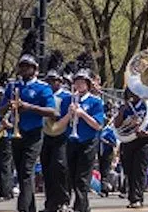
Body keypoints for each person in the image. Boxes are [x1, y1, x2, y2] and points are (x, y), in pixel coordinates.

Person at [0, 31, 57, 212]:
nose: (23, 70)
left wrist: (29, 107)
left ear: (35, 69)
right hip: (16, 132)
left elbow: (51, 111)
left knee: (26, 171)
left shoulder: (42, 88)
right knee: (21, 171)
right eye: (21, 67)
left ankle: (22, 208)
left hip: (34, 133)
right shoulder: (12, 86)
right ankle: (30, 208)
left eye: (27, 67)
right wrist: (8, 107)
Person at [54, 55, 104, 212]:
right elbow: (59, 124)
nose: (79, 85)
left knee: (82, 178)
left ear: (88, 84)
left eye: (82, 82)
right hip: (71, 141)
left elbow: (98, 125)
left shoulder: (95, 102)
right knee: (71, 175)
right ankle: (78, 205)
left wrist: (82, 114)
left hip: (88, 142)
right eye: (76, 82)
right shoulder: (69, 100)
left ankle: (80, 207)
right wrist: (69, 114)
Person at [114, 88, 148, 209]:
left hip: (143, 142)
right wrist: (121, 111)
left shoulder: (147, 107)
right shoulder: (125, 108)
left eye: (134, 92)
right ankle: (131, 196)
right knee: (128, 170)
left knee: (139, 170)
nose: (132, 96)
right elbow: (117, 125)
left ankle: (137, 198)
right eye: (129, 93)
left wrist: (146, 132)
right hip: (128, 141)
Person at [40, 51, 71, 212]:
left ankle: (63, 201)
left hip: (62, 136)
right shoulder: (44, 95)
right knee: (47, 169)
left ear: (60, 81)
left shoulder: (67, 96)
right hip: (46, 135)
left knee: (59, 168)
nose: (50, 83)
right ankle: (50, 202)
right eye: (48, 80)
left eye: (54, 80)